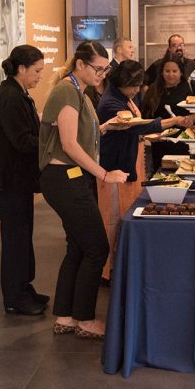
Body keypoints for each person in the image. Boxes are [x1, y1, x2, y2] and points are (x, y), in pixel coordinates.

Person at [39, 40, 127, 339]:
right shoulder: (67, 89)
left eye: (106, 70)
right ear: (80, 64)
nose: (102, 74)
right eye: (98, 69)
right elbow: (68, 144)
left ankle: (65, 317)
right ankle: (85, 320)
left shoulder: (79, 91)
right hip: (64, 177)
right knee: (96, 247)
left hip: (68, 177)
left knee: (77, 246)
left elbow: (77, 133)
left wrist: (104, 128)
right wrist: (105, 174)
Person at [96, 61, 191, 279]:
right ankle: (109, 269)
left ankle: (122, 263)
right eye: (136, 86)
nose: (138, 90)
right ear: (125, 83)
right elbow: (139, 125)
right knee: (112, 218)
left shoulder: (124, 96)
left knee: (124, 214)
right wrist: (174, 121)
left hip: (129, 159)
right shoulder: (111, 103)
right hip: (114, 165)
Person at [0, 45, 49, 315]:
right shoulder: (10, 98)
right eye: (36, 71)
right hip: (8, 183)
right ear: (21, 69)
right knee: (15, 241)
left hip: (18, 181)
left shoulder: (19, 94)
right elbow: (23, 141)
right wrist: (52, 140)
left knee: (22, 238)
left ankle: (23, 287)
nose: (39, 77)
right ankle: (14, 297)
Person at [139, 57, 195, 173]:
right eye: (167, 71)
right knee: (161, 174)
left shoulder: (191, 86)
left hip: (186, 141)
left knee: (186, 172)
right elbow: (145, 115)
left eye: (175, 71)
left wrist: (188, 119)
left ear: (181, 72)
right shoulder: (154, 89)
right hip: (161, 142)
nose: (171, 75)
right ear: (161, 72)